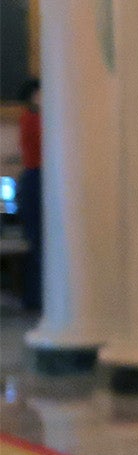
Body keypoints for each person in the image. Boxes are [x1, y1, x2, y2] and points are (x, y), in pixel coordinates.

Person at [13, 78, 39, 313]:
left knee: (37, 241)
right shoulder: (32, 119)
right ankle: (33, 296)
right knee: (36, 241)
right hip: (35, 179)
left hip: (35, 178)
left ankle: (34, 296)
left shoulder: (29, 118)